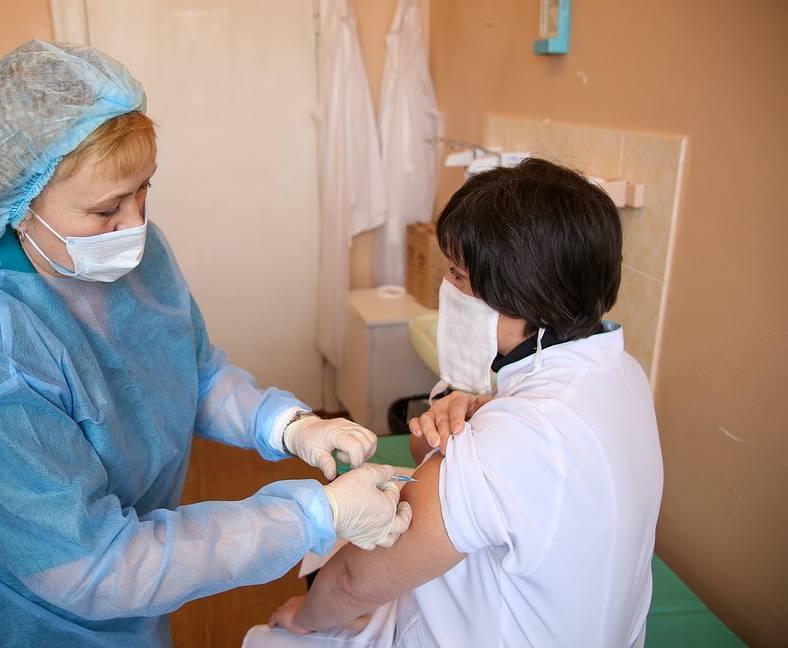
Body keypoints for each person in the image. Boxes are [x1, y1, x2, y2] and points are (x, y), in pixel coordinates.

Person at [0, 40, 411, 648]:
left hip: (129, 584)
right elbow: (94, 566)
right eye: (105, 209)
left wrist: (288, 425)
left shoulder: (129, 258)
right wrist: (315, 516)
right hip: (11, 609)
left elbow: (191, 373)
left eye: (144, 188)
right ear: (19, 205)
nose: (134, 223)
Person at [246, 158, 664, 647]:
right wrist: (476, 409)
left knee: (273, 634)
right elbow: (453, 460)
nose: (446, 286)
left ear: (521, 297)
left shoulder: (519, 437)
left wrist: (303, 618)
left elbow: (355, 580)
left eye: (458, 274)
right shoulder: (620, 372)